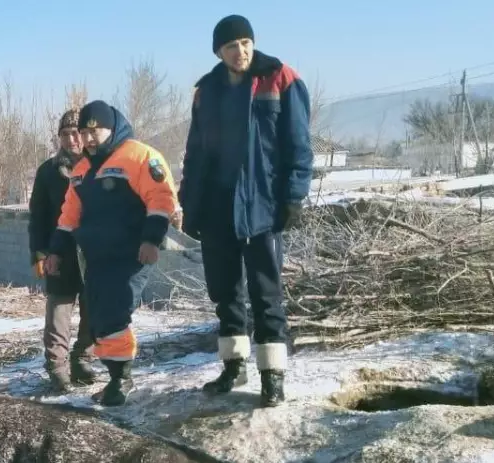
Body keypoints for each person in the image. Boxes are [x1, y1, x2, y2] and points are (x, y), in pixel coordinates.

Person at [178, 14, 313, 407]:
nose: (241, 51)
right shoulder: (206, 90)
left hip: (261, 206)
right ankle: (234, 366)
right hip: (217, 205)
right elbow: (195, 150)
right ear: (219, 52)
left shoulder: (280, 77)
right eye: (232, 46)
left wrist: (294, 196)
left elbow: (299, 144)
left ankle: (273, 374)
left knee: (265, 291)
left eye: (245, 43)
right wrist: (191, 203)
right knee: (224, 291)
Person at [44, 100, 180, 407]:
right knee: (99, 317)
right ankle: (116, 374)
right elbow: (69, 216)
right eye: (84, 132)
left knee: (115, 312)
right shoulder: (81, 170)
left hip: (131, 254)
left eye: (95, 131)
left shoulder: (139, 156)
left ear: (112, 127)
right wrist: (55, 252)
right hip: (97, 256)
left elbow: (161, 200)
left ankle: (121, 379)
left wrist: (151, 240)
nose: (88, 138)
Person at [28, 108, 97, 393]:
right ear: (59, 138)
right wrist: (39, 254)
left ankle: (83, 358)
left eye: (76, 133)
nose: (71, 140)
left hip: (93, 250)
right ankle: (57, 367)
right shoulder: (49, 171)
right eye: (65, 134)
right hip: (60, 252)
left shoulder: (100, 165)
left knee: (93, 308)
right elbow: (38, 216)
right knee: (59, 311)